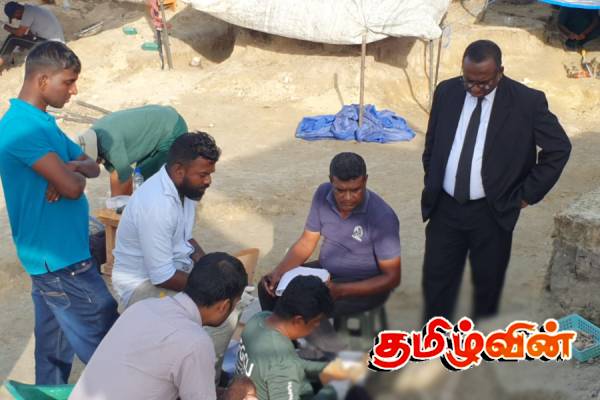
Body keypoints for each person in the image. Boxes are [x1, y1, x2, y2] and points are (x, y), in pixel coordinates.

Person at [421, 40, 571, 322]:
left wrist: (525, 195)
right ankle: (434, 339)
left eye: (484, 82)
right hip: (445, 208)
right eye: (469, 81)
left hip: (493, 211)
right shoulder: (447, 91)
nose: (475, 88)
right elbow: (433, 142)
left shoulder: (527, 102)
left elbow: (559, 148)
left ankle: (481, 341)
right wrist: (434, 178)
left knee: (487, 286)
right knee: (437, 281)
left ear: (500, 72)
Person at [0, 41, 118, 384]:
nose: (74, 90)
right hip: (61, 260)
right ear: (42, 81)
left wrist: (68, 169)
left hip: (56, 256)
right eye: (68, 82)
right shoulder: (21, 129)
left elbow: (91, 166)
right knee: (111, 348)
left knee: (53, 350)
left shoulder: (41, 123)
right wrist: (69, 176)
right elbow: (74, 188)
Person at [111, 131, 246, 377]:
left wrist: (209, 266)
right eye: (203, 175)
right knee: (223, 318)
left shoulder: (186, 190)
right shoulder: (157, 206)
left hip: (172, 271)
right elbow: (162, 276)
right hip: (140, 287)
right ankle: (204, 382)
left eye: (210, 174)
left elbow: (185, 239)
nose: (208, 181)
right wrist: (212, 288)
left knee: (230, 294)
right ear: (179, 170)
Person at [259, 152, 401, 352]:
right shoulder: (322, 195)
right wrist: (279, 272)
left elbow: (391, 278)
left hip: (365, 285)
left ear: (365, 181)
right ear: (331, 181)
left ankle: (334, 359)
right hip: (326, 273)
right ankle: (285, 345)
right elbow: (307, 241)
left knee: (308, 306)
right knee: (267, 288)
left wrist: (340, 290)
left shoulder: (382, 217)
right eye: (340, 190)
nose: (348, 197)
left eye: (355, 190)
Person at [70, 252, 257, 400]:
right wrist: (233, 395)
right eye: (236, 303)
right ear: (224, 306)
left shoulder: (143, 307)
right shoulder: (195, 343)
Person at [237, 276, 359, 400]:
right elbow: (284, 366)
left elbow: (291, 364)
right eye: (316, 321)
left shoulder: (259, 319)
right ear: (298, 320)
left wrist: (328, 368)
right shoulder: (283, 365)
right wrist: (334, 389)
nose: (317, 326)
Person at [77, 105, 189, 196]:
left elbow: (126, 178)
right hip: (159, 125)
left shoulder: (110, 143)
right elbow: (115, 173)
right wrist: (115, 204)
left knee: (163, 182)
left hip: (172, 129)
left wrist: (124, 207)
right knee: (142, 178)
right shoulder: (93, 135)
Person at [1, 2, 64, 72]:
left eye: (14, 17)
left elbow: (19, 33)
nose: (16, 19)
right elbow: (29, 34)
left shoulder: (28, 13)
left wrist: (3, 26)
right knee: (16, 38)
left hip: (52, 47)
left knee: (12, 38)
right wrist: (21, 45)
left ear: (17, 12)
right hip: (57, 45)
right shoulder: (32, 9)